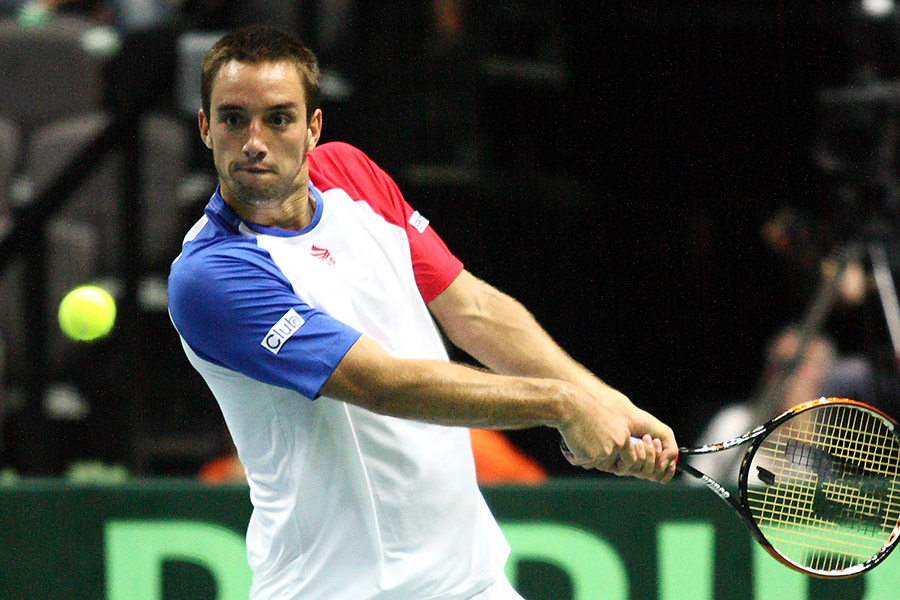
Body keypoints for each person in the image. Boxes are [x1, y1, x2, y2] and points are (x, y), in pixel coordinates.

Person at [167, 25, 678, 600]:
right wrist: (563, 405)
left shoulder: (351, 173)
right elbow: (383, 385)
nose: (254, 142)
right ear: (205, 127)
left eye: (279, 118)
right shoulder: (212, 275)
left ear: (313, 127)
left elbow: (473, 309)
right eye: (234, 119)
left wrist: (602, 400)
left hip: (471, 581)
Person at [690, 324, 875, 484]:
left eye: (799, 364)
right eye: (778, 364)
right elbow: (692, 494)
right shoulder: (734, 423)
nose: (782, 375)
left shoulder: (836, 440)